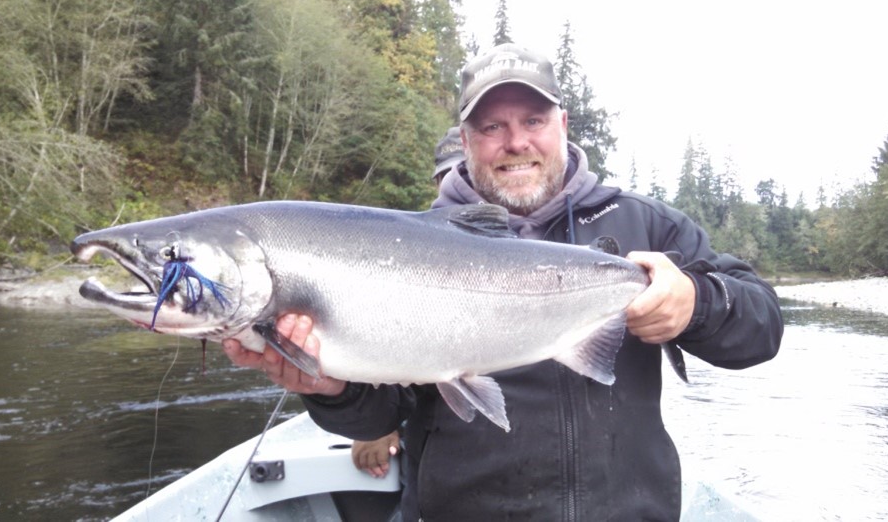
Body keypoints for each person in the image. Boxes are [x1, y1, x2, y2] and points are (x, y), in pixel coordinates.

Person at [223, 43, 783, 520]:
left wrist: (696, 302)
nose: (516, 142)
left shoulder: (644, 225)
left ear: (562, 126)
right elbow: (379, 415)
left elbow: (761, 329)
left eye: (533, 121)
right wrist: (329, 386)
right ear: (465, 140)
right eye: (492, 126)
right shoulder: (406, 250)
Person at [351, 126, 465, 479]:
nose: (454, 182)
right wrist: (372, 427)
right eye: (445, 175)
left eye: (463, 171)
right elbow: (379, 347)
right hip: (441, 463)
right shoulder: (405, 250)